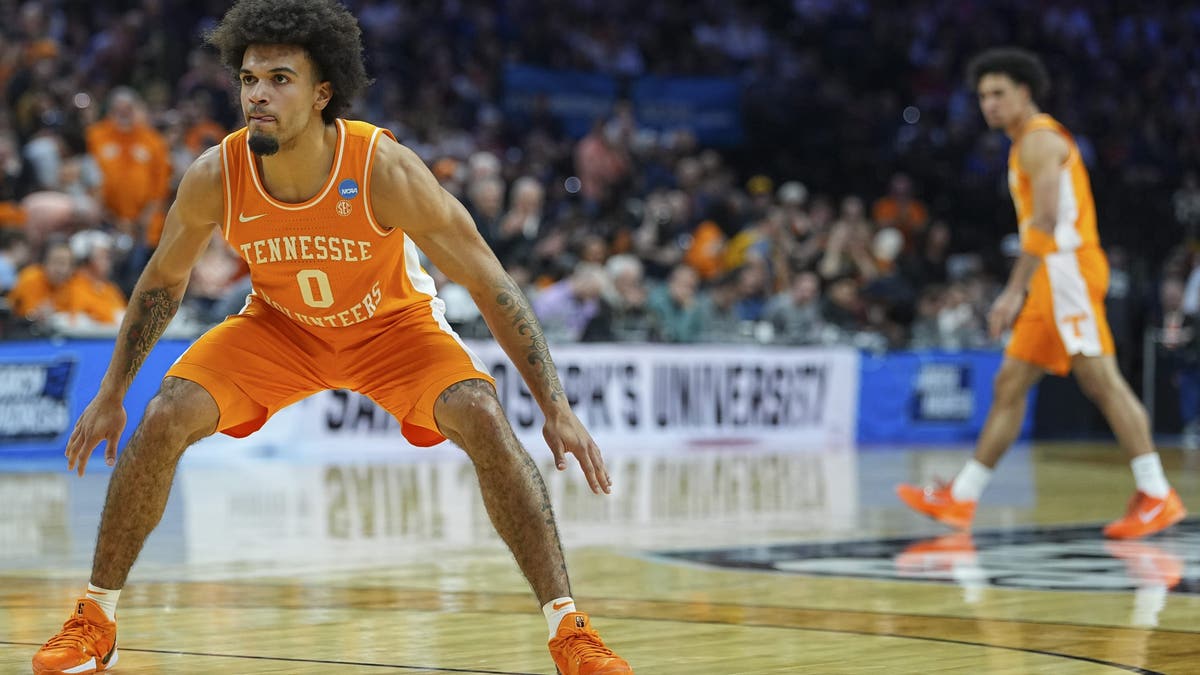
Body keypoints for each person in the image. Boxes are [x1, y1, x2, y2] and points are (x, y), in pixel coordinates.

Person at [31, 2, 632, 674]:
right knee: (164, 413)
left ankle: (570, 630)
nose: (257, 92)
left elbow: (492, 284)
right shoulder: (217, 173)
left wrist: (555, 405)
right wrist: (113, 390)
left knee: (483, 416)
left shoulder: (382, 168)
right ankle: (94, 619)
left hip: (393, 328)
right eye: (249, 77)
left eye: (280, 78)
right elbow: (161, 283)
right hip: (280, 329)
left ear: (323, 93)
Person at [896, 48, 1187, 540]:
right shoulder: (1021, 144)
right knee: (1009, 384)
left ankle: (1157, 493)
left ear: (1024, 92)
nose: (988, 104)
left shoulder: (1039, 140)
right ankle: (961, 499)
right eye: (983, 95)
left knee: (1102, 382)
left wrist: (1011, 293)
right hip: (1051, 276)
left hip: (1067, 269)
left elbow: (1047, 222)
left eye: (999, 93)